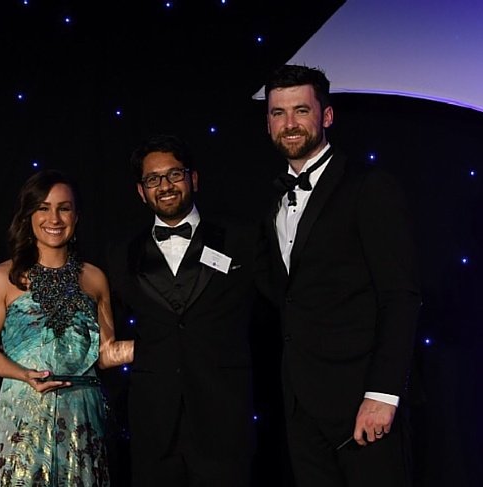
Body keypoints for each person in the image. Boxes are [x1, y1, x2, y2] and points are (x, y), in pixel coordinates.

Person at [258, 63, 421, 487]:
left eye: (301, 111)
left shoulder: (369, 187)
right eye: (278, 113)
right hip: (300, 408)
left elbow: (400, 296)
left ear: (326, 116)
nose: (290, 124)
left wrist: (382, 395)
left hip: (362, 405)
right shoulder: (272, 202)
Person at [106, 134, 258, 486]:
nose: (166, 186)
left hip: (225, 421)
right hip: (153, 427)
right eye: (153, 179)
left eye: (175, 174)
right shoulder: (121, 254)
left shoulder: (242, 240)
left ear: (193, 179)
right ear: (141, 192)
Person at [0, 169, 133, 486]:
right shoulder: (0, 279)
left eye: (64, 207)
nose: (54, 218)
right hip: (23, 411)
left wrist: (158, 345)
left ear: (77, 215)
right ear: (28, 215)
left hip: (81, 416)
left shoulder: (94, 278)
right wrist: (23, 375)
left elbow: (104, 353)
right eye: (43, 208)